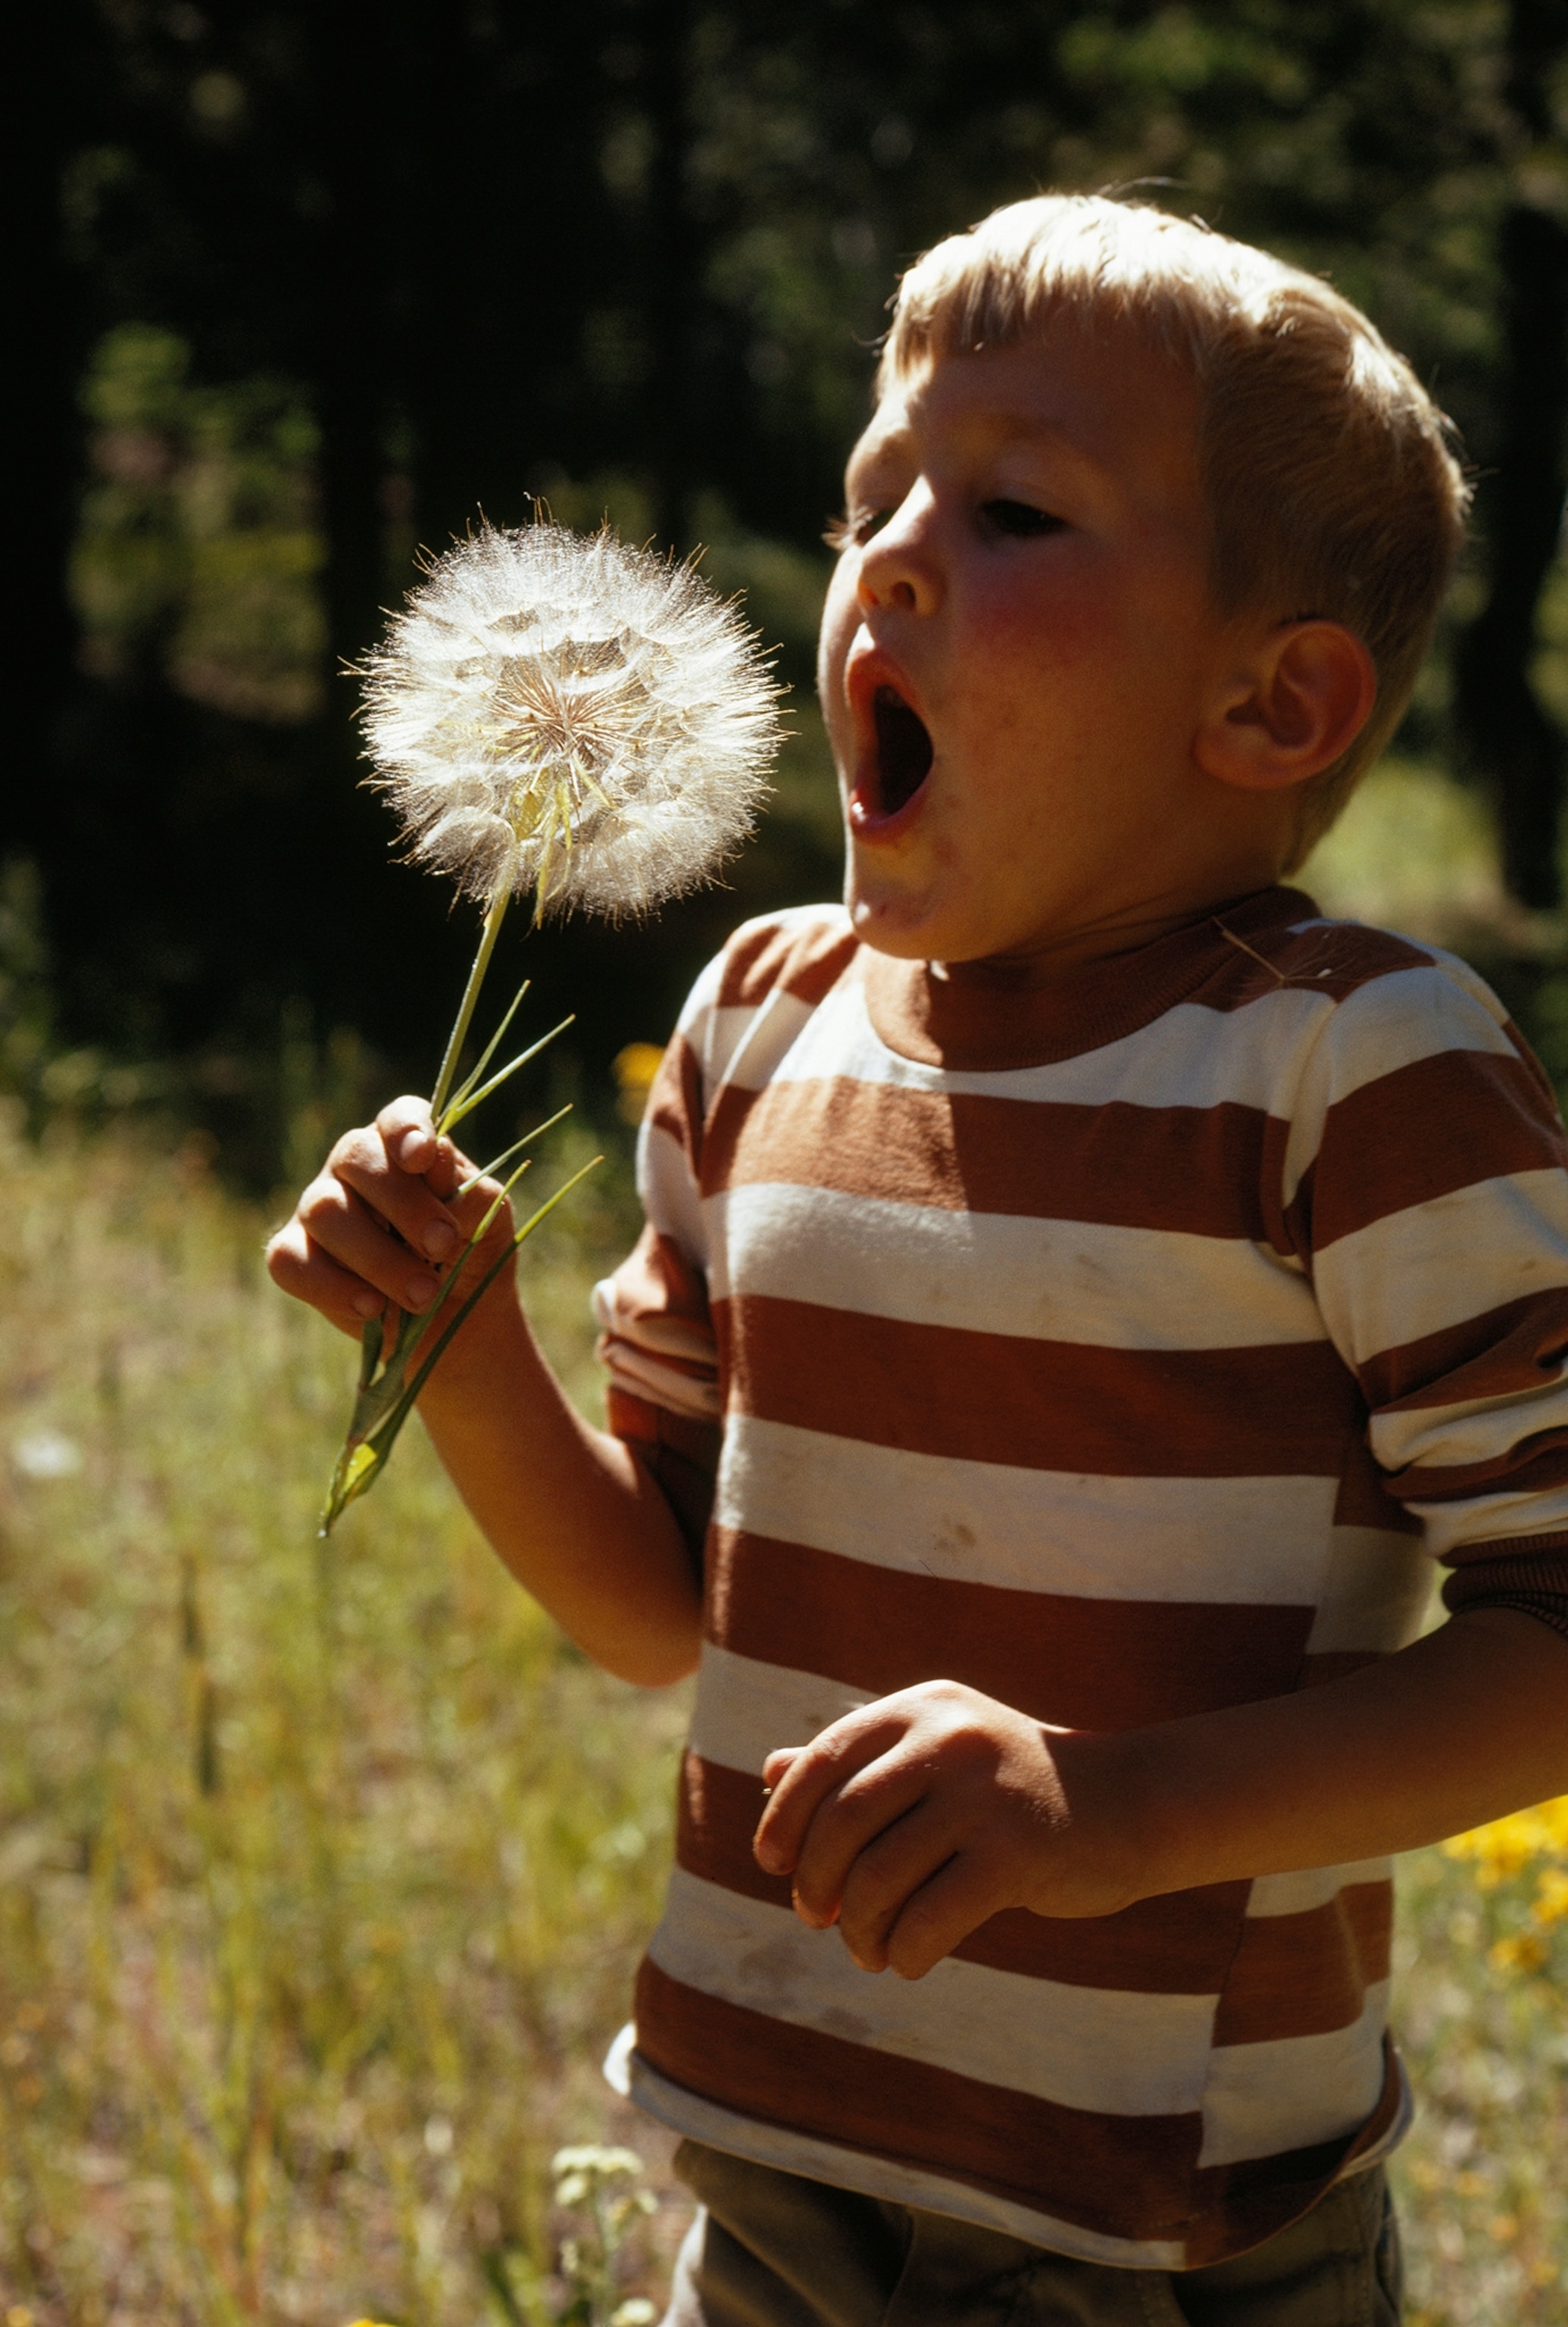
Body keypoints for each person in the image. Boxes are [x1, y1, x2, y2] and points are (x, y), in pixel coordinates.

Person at [267, 195, 1568, 2324]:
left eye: (1018, 511)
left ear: (1275, 702)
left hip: (1166, 2229)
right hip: (770, 2165)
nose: (884, 554)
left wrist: (1118, 1809)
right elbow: (651, 1606)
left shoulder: (1351, 1067)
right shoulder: (758, 1024)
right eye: (871, 494)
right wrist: (463, 1342)